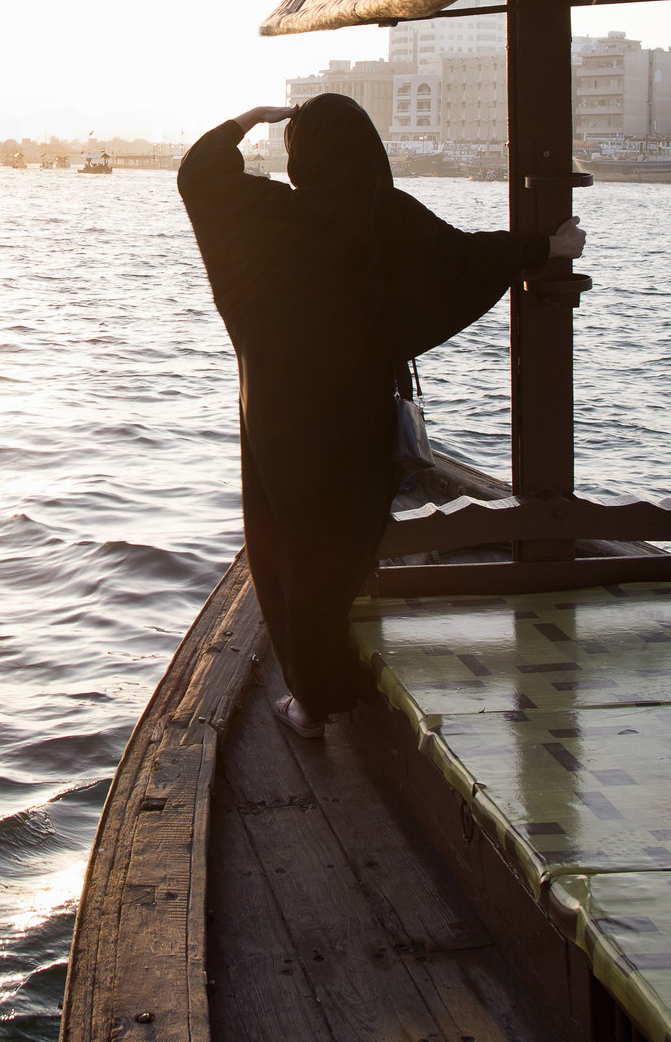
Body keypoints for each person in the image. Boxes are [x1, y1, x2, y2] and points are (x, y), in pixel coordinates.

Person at [178, 93, 585, 738]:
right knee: (339, 547)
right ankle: (334, 680)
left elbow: (199, 175)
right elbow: (467, 259)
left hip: (278, 416)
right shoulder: (385, 220)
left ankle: (310, 700)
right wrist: (548, 246)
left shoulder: (264, 217)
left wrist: (248, 120)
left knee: (287, 547)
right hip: (355, 418)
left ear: (300, 155)